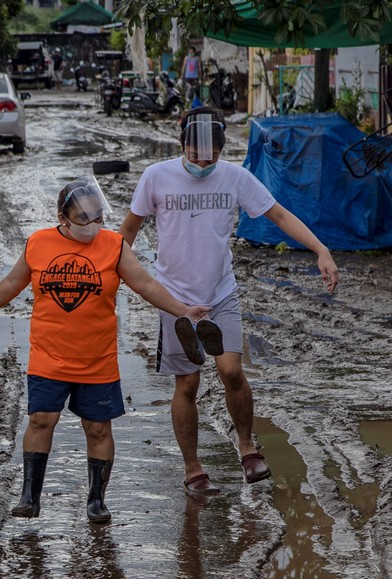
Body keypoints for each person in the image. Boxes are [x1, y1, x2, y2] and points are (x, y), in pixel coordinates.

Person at [0, 177, 210, 523]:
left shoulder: (114, 245)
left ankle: (96, 500)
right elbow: (13, 283)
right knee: (41, 419)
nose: (92, 226)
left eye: (97, 218)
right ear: (63, 218)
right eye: (82, 219)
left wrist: (183, 310)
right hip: (49, 355)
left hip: (97, 358)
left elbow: (145, 284)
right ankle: (29, 497)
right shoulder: (38, 243)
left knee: (98, 428)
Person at [119, 105, 339, 495]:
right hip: (175, 299)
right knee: (186, 384)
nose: (204, 162)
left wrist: (321, 250)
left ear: (222, 149)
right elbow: (128, 231)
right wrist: (108, 273)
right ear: (182, 144)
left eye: (213, 155)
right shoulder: (156, 178)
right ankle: (193, 469)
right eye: (196, 154)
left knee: (232, 372)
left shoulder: (235, 178)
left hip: (221, 293)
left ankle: (247, 447)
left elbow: (281, 216)